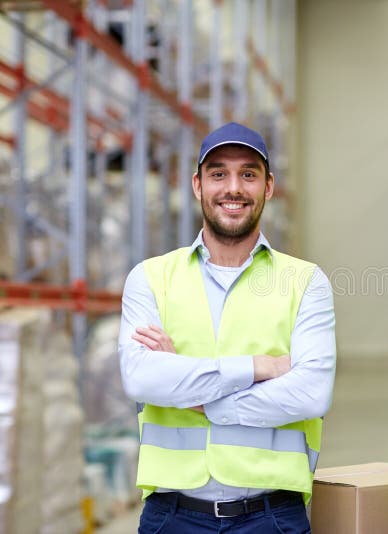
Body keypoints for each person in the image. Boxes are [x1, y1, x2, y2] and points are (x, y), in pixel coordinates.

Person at [118, 122, 336, 533]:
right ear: (198, 185)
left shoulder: (305, 281)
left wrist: (193, 393)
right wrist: (258, 367)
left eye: (248, 174)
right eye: (218, 174)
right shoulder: (150, 278)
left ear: (268, 187)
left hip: (271, 516)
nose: (232, 188)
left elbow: (310, 394)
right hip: (172, 516)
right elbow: (141, 378)